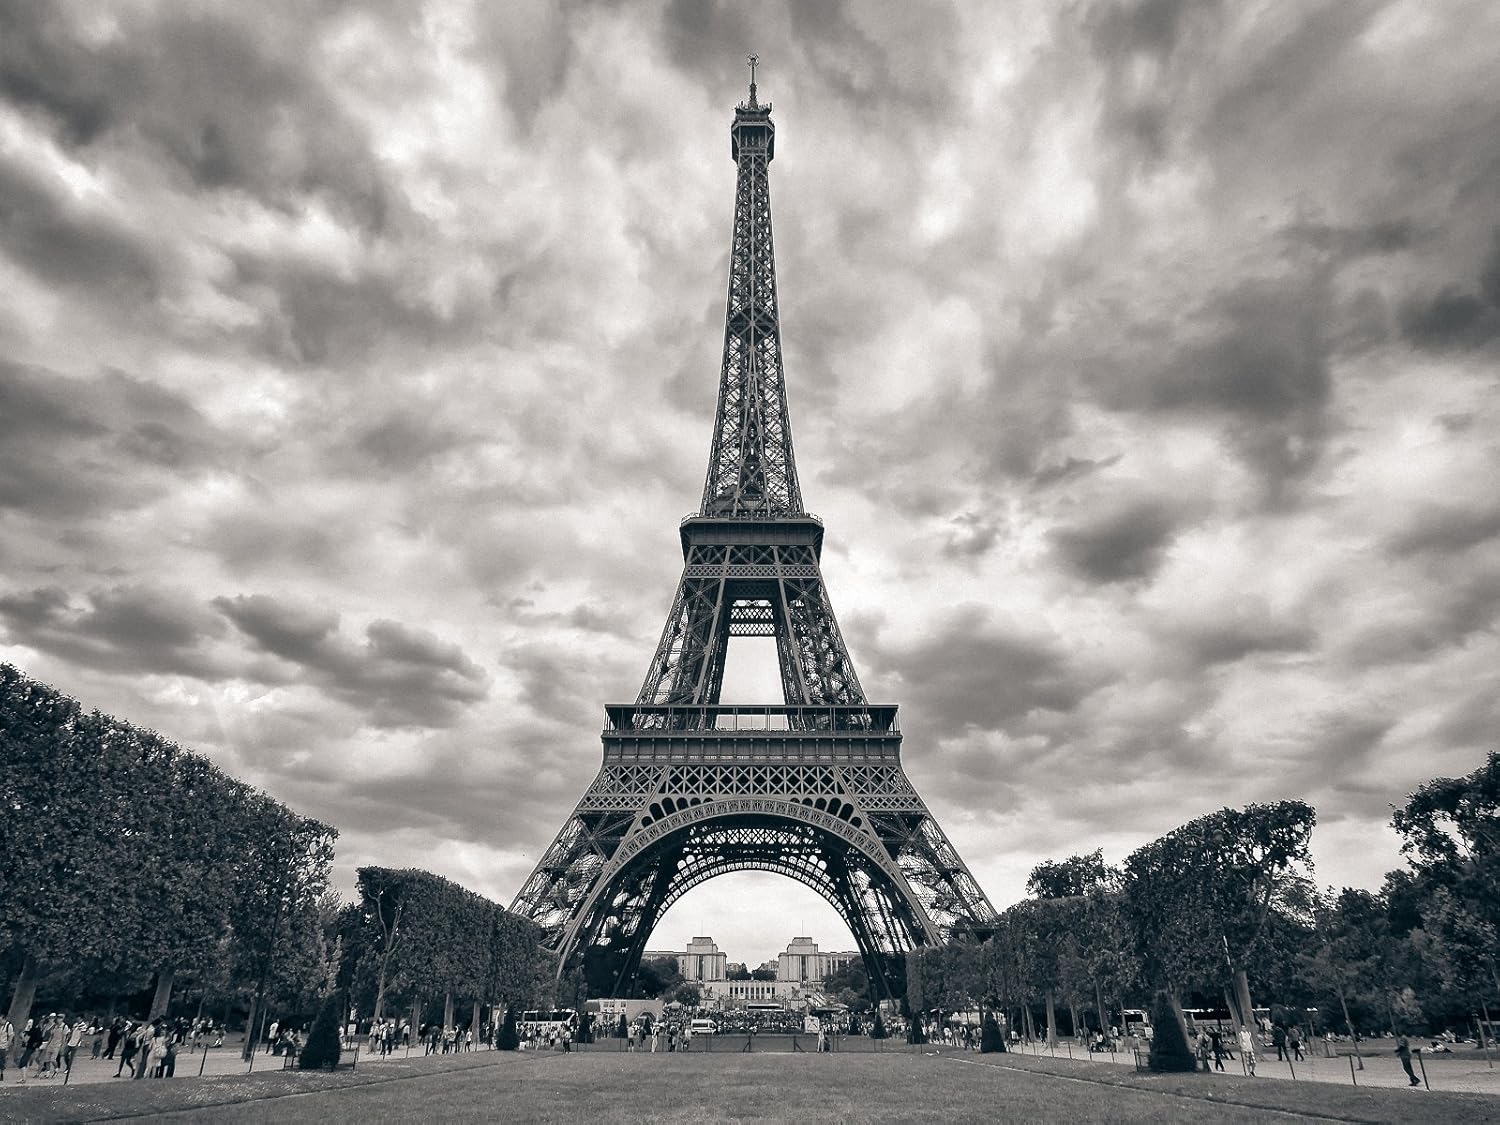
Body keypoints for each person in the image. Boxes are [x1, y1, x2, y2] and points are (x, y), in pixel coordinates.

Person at [0, 1013, 14, 1081]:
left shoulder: (8, 1026)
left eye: (0, 1020)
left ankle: (1, 1073)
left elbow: (11, 1036)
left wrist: (8, 1046)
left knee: (1, 1060)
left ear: (4, 1019)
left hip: (3, 1045)